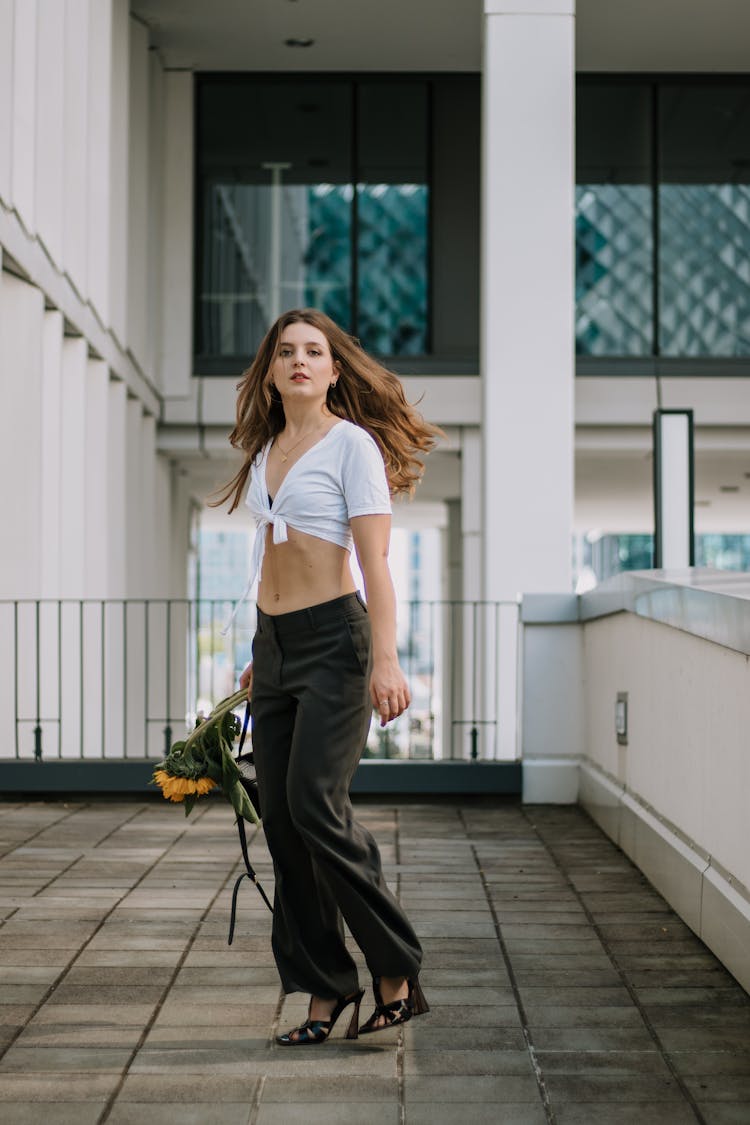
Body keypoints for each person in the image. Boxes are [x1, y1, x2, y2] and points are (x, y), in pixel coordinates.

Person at [215, 308, 442, 1046]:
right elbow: (269, 556)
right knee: (279, 821)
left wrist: (385, 656)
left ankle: (396, 969)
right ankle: (324, 987)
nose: (301, 361)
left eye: (314, 351)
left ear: (334, 370)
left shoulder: (352, 447)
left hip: (337, 643)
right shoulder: (266, 450)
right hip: (275, 647)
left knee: (314, 803)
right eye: (287, 352)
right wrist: (260, 651)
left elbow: (374, 563)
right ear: (272, 371)